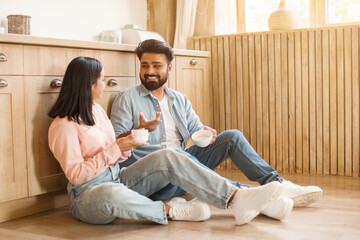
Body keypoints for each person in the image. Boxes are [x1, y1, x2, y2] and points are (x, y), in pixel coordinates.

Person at [47, 56, 285, 226]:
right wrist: (116, 148)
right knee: (110, 195)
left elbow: (117, 155)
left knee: (168, 155)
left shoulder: (96, 111)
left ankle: (236, 198)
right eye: (101, 79)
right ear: (86, 84)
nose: (104, 84)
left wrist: (131, 140)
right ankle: (170, 210)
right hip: (88, 194)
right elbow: (76, 175)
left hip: (119, 177)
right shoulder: (62, 126)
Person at [110, 39, 323, 218]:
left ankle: (276, 183)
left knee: (231, 137)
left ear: (170, 67)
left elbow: (197, 129)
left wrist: (207, 133)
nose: (150, 72)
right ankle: (255, 195)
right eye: (144, 66)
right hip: (154, 180)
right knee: (173, 156)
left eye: (156, 65)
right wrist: (137, 131)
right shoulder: (126, 99)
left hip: (185, 169)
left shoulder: (179, 100)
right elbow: (115, 146)